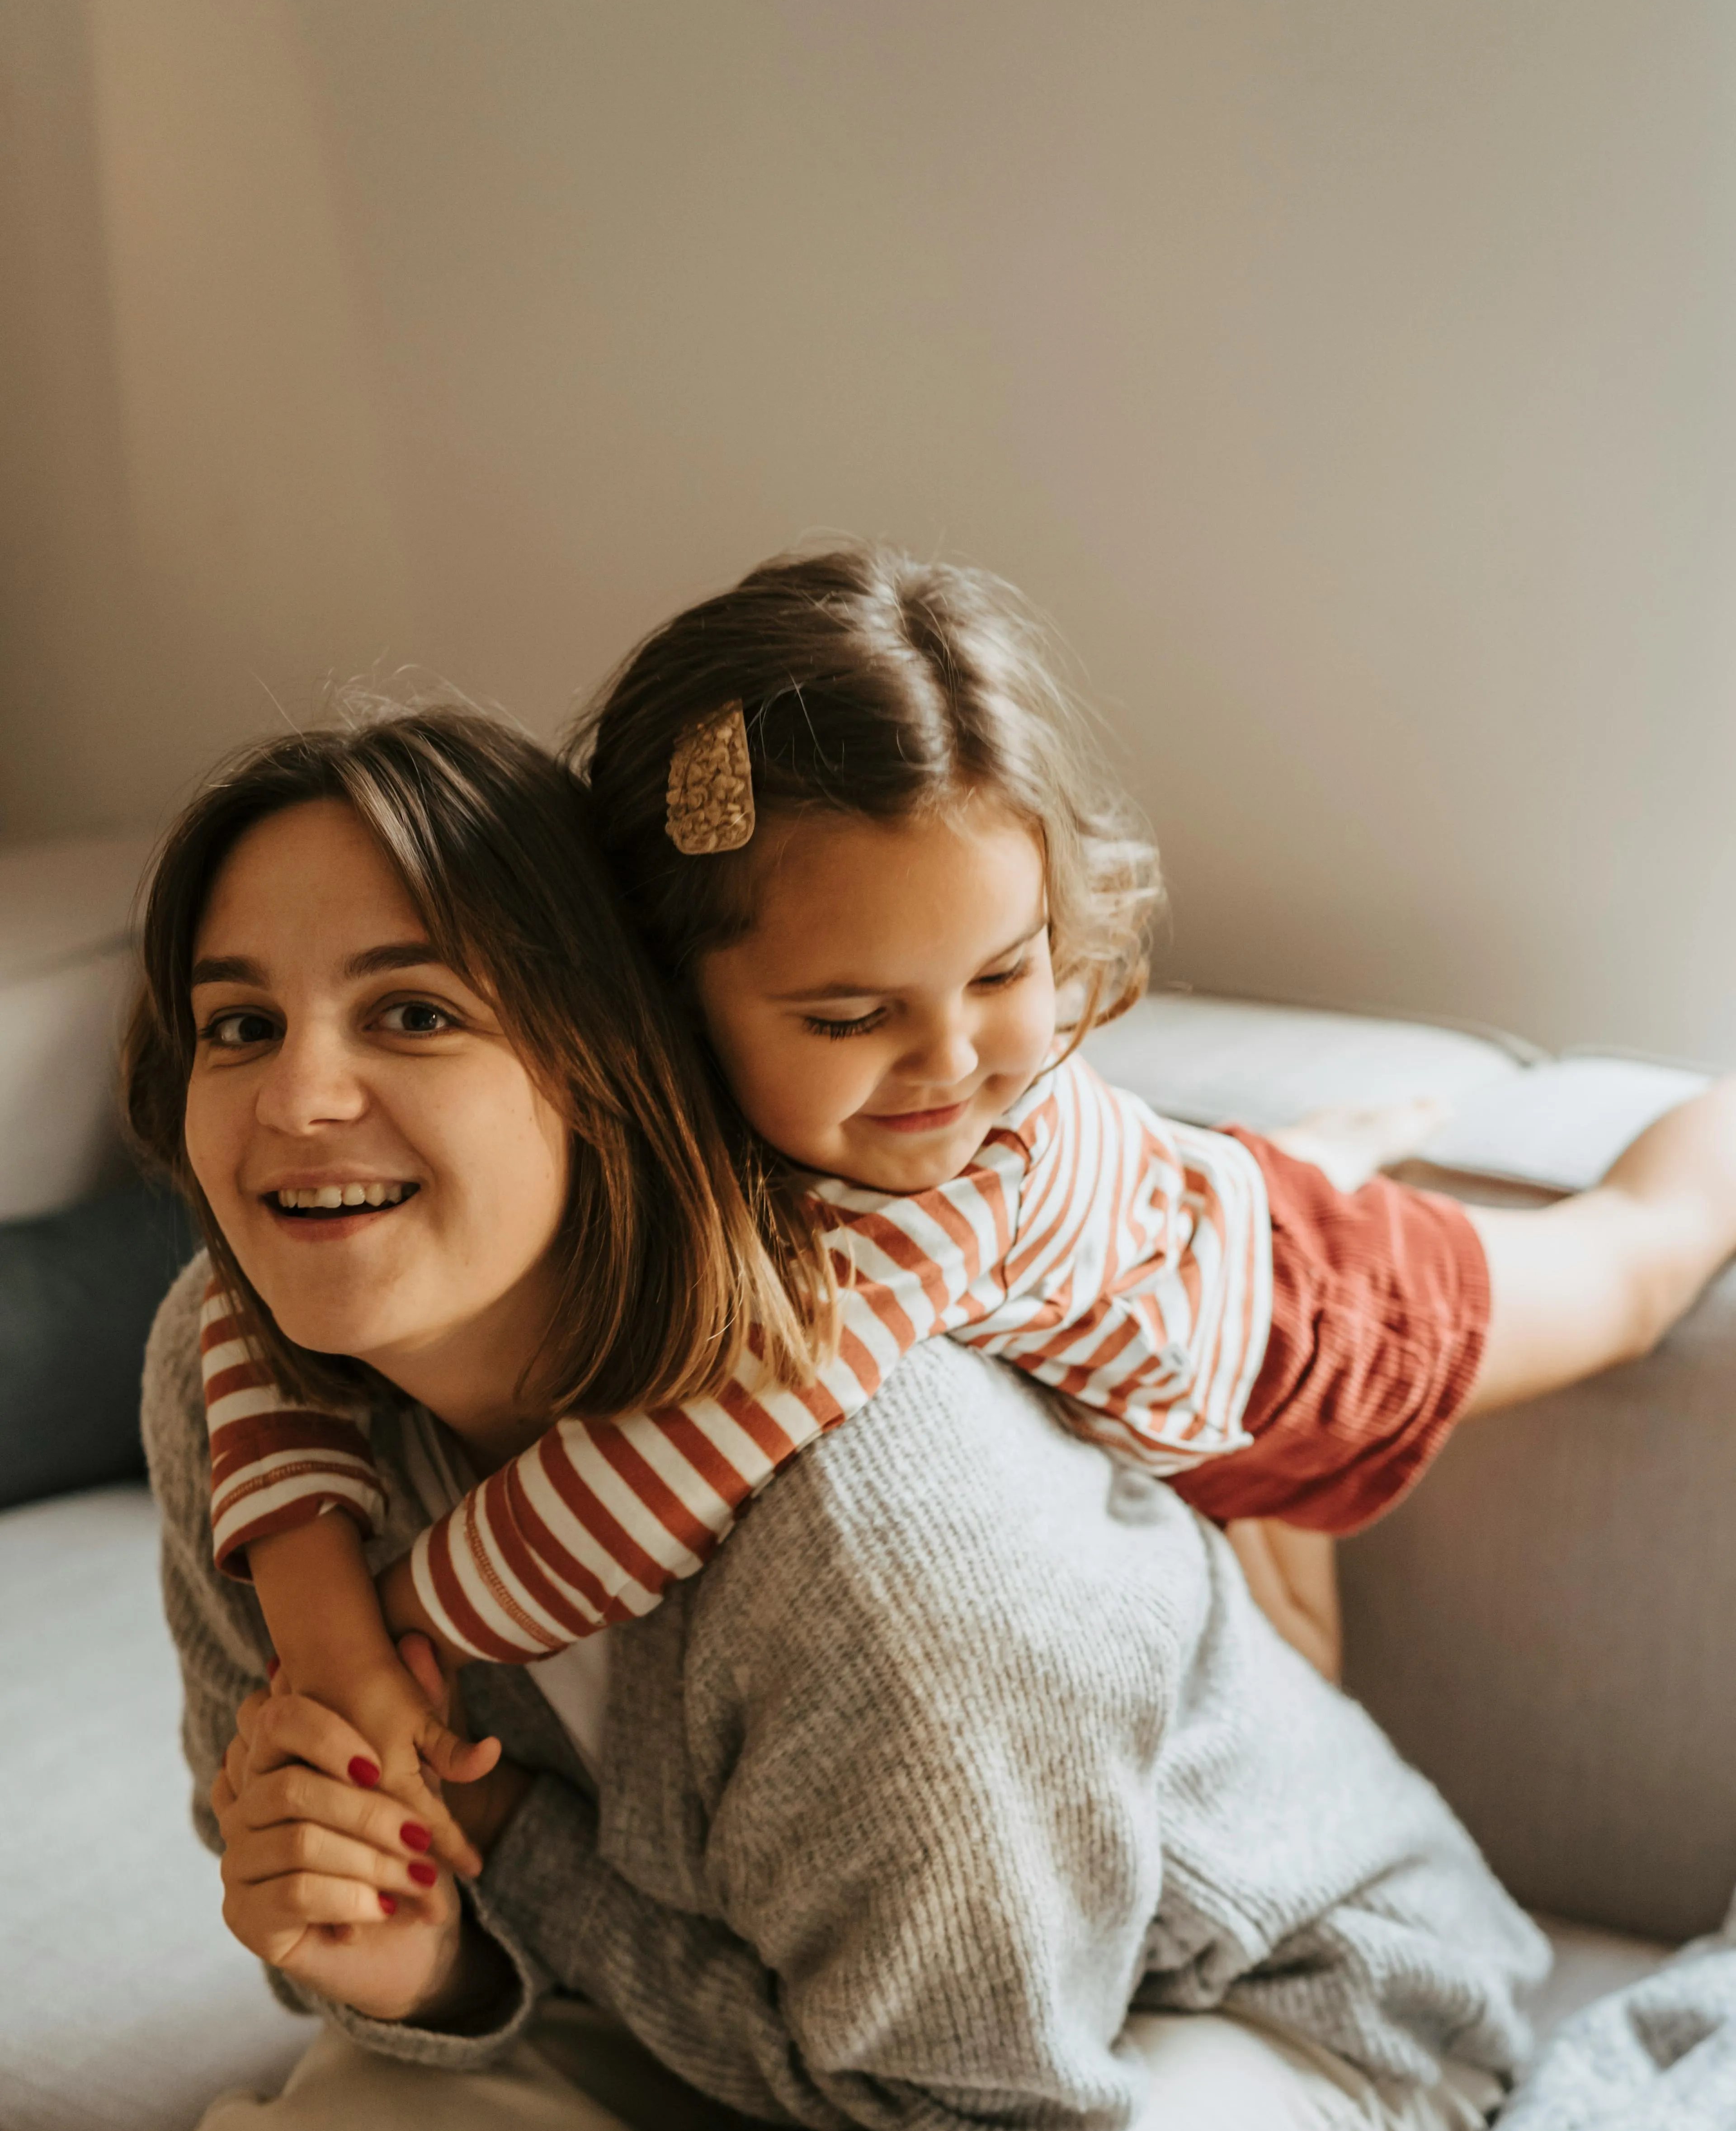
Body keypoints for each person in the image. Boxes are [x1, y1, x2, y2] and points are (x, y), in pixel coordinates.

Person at [131, 708, 1546, 2131]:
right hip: (785, 1987)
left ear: (597, 1060)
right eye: (242, 1023)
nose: (300, 1097)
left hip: (1265, 2011)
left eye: (410, 1012)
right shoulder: (241, 1393)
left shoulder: (878, 1529)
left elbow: (966, 2089)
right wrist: (416, 1976)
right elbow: (348, 1930)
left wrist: (512, 1919)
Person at [182, 547, 1736, 1845]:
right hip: (1124, 1266)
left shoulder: (930, 1209)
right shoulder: (651, 1127)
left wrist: (398, 1625)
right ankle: (1274, 1164)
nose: (948, 1066)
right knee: (1218, 1489)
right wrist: (306, 1596)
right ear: (663, 997)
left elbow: (648, 1484)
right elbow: (249, 1308)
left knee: (1631, 1265)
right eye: (849, 1018)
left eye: (1007, 974)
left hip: (1289, 1314)